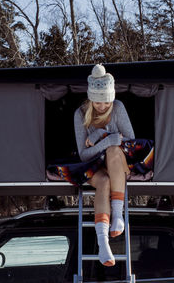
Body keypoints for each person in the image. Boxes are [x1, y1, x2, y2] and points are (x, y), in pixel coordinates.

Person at [49, 64, 154, 267]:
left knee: (114, 150)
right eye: (98, 102)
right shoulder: (80, 114)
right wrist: (106, 138)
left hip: (117, 161)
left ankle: (118, 216)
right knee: (103, 181)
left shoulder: (118, 108)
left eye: (106, 101)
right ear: (90, 98)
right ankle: (103, 244)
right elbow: (84, 153)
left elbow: (130, 142)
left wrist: (101, 136)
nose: (103, 106)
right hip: (91, 165)